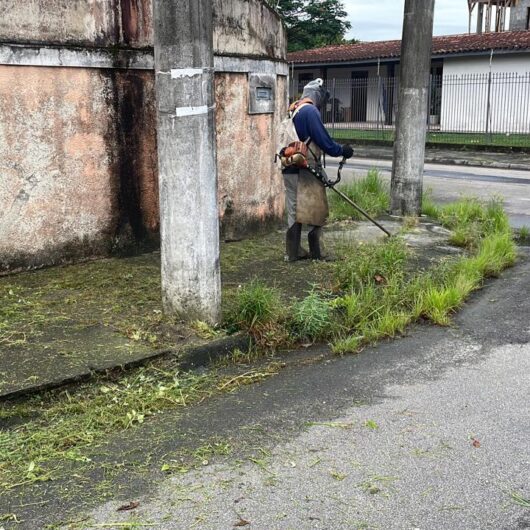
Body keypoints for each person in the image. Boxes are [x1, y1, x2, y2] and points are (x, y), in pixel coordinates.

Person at [283, 78, 354, 262]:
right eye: (323, 99)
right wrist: (341, 150)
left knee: (294, 209)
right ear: (317, 96)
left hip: (289, 166)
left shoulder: (293, 110)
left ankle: (293, 251)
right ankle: (317, 251)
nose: (323, 104)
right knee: (319, 208)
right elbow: (324, 141)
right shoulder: (310, 111)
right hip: (307, 167)